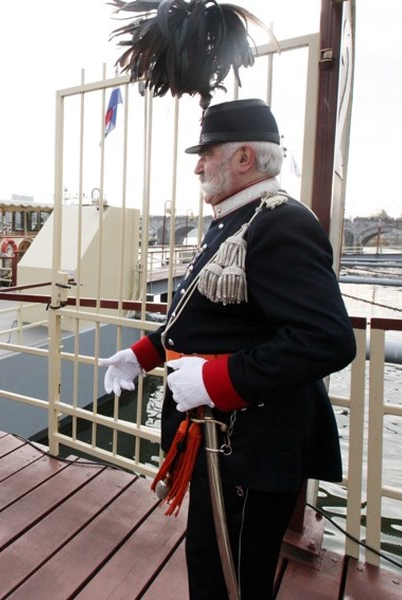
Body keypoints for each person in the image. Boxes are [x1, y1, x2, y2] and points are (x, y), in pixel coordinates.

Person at [99, 99, 355, 599]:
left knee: (232, 577)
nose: (197, 165)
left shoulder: (281, 223)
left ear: (243, 159)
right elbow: (210, 321)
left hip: (252, 445)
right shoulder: (233, 221)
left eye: (207, 152)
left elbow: (326, 339)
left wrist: (219, 381)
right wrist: (144, 354)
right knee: (211, 561)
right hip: (223, 441)